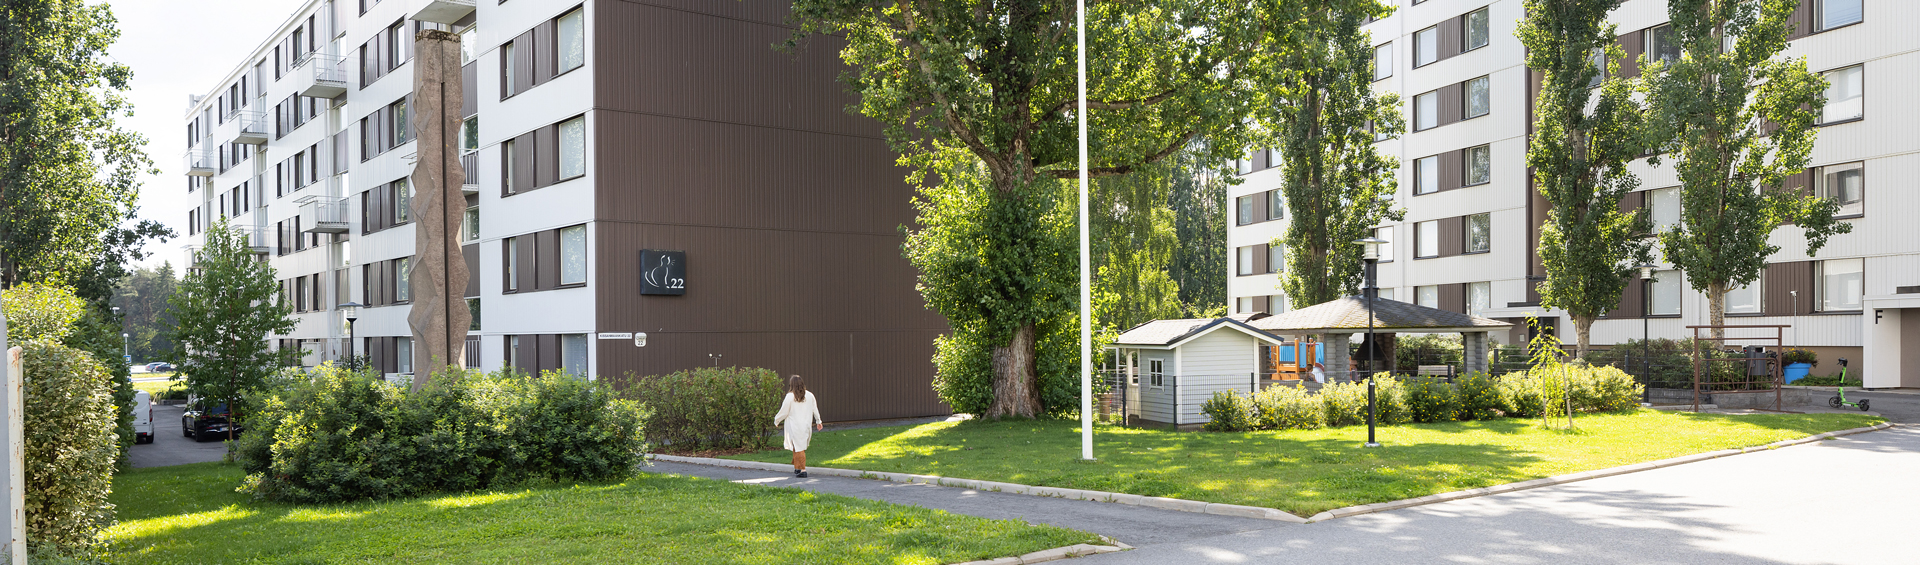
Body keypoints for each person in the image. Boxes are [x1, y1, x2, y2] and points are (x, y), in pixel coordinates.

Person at [773, 374, 824, 478]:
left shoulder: (790, 396)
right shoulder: (810, 395)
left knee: (798, 447)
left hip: (794, 425)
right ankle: (797, 468)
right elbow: (815, 409)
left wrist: (777, 420)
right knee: (798, 447)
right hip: (806, 425)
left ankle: (803, 470)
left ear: (791, 385)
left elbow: (784, 411)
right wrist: (818, 421)